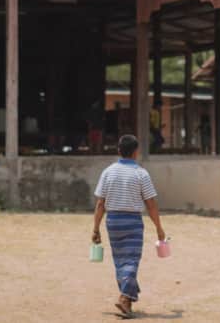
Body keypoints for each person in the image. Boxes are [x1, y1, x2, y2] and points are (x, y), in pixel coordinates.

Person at [91, 134, 166, 319]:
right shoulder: (141, 173)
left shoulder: (108, 172)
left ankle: (128, 302)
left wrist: (95, 228)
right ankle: (125, 297)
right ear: (135, 152)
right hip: (132, 222)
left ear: (118, 151)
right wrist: (158, 227)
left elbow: (100, 203)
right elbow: (151, 204)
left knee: (120, 261)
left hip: (113, 221)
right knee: (131, 261)